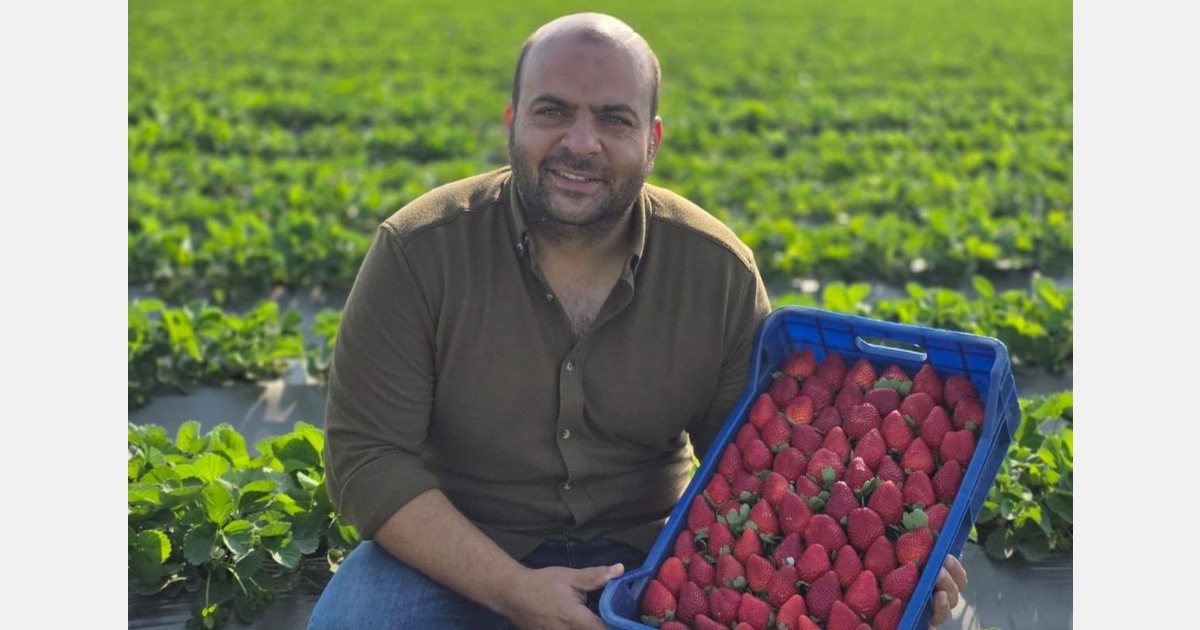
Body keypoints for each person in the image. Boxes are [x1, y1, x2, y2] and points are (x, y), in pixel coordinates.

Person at [308, 12, 967, 630]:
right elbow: (369, 460)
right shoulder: (420, 251)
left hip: (652, 555)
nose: (581, 142)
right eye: (553, 112)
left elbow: (766, 465)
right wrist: (512, 589)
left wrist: (893, 559)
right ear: (512, 122)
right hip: (455, 547)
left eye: (614, 120)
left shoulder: (716, 271)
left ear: (651, 140)